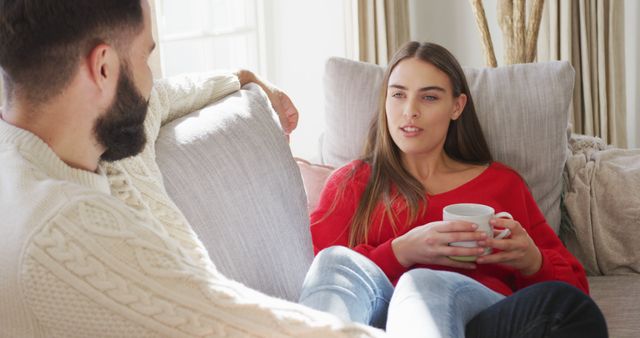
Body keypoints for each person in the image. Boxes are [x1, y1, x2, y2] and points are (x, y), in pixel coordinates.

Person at [0, 1, 386, 337]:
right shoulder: (61, 230)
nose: (151, 77)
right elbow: (240, 324)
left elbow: (164, 97)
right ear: (102, 68)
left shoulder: (103, 141)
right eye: (145, 56)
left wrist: (246, 79)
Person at [300, 41, 608, 338]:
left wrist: (532, 261)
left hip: (482, 318)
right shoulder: (352, 182)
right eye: (398, 95)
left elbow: (576, 289)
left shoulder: (502, 183)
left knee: (565, 307)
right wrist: (401, 251)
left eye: (429, 97)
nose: (410, 111)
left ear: (457, 106)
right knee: (334, 261)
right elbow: (311, 274)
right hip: (378, 315)